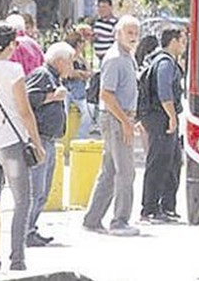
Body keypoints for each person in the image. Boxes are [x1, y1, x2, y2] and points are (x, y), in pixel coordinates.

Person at [0, 21, 46, 271]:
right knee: (23, 200)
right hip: (11, 141)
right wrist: (37, 143)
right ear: (11, 44)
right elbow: (24, 111)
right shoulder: (13, 70)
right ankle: (17, 258)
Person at [82, 15, 141, 237]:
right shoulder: (116, 58)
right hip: (116, 117)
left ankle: (93, 218)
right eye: (129, 33)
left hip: (120, 116)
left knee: (109, 170)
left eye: (136, 33)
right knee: (126, 171)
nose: (133, 37)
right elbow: (106, 94)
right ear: (118, 33)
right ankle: (120, 221)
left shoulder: (127, 57)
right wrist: (126, 122)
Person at [24, 42, 75, 247]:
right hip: (40, 139)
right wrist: (52, 96)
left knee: (43, 190)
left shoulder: (53, 77)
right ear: (60, 60)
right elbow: (27, 99)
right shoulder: (42, 75)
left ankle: (31, 228)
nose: (72, 65)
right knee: (36, 190)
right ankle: (25, 231)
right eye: (70, 61)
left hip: (50, 140)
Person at [139, 28, 187, 222]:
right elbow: (164, 91)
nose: (184, 45)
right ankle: (149, 208)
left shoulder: (167, 62)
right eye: (182, 41)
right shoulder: (165, 63)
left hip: (164, 117)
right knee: (158, 162)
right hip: (160, 118)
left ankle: (167, 206)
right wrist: (172, 116)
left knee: (173, 161)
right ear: (173, 41)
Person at [64, 31, 95, 138]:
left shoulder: (80, 58)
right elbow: (70, 73)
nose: (85, 43)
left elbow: (89, 72)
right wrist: (82, 74)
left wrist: (82, 72)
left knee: (88, 113)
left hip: (80, 92)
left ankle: (80, 138)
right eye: (82, 41)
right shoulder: (68, 56)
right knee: (64, 114)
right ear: (78, 43)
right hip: (68, 90)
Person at [92, 0, 118, 67]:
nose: (101, 9)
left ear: (110, 8)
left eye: (104, 7)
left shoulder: (115, 23)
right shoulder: (97, 22)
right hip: (100, 59)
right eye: (99, 7)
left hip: (110, 59)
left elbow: (117, 41)